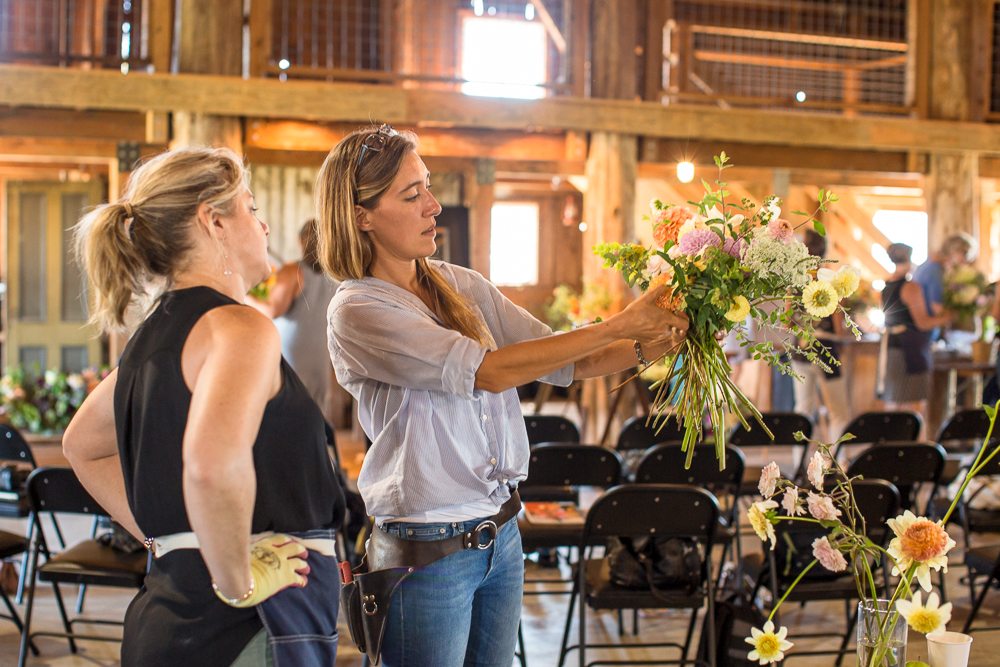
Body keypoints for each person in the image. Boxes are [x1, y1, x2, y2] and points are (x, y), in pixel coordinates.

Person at [316, 123, 689, 666]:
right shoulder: (357, 309)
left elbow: (569, 358)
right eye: (411, 193)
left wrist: (668, 338)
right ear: (360, 215)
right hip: (428, 549)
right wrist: (617, 324)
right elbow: (487, 372)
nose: (433, 206)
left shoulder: (460, 285)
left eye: (428, 186)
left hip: (503, 532)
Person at [63, 146, 345, 667]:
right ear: (213, 221)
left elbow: (81, 447)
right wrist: (236, 579)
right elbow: (213, 465)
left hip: (172, 617)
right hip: (246, 624)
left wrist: (174, 541)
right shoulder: (239, 328)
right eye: (252, 208)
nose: (263, 227)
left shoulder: (151, 336)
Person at [250, 219, 341, 424]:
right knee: (314, 413)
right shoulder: (334, 277)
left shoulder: (294, 272)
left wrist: (243, 293)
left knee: (287, 412)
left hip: (292, 357)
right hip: (320, 355)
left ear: (301, 241)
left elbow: (270, 309)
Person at [879, 242, 952, 430]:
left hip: (892, 346)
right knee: (915, 406)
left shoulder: (886, 286)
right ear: (910, 258)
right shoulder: (911, 287)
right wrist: (948, 317)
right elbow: (923, 322)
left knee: (894, 402)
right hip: (910, 349)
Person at [792, 230, 851, 441]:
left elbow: (785, 320)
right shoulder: (831, 282)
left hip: (800, 348)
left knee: (803, 408)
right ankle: (838, 459)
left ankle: (800, 462)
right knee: (838, 410)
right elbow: (838, 326)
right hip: (826, 348)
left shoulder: (796, 281)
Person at [913, 233, 976, 341]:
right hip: (923, 334)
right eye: (964, 254)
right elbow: (938, 309)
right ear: (954, 250)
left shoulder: (927, 265)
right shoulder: (935, 271)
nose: (965, 261)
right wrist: (959, 313)